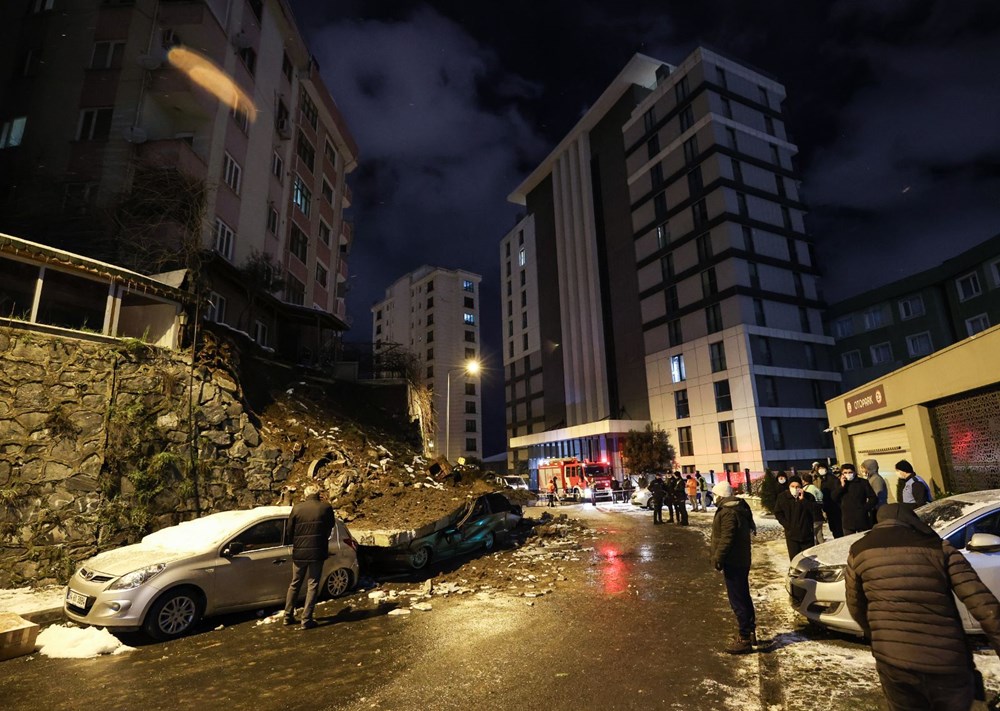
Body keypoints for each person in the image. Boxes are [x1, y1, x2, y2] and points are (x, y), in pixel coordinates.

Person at [846, 504, 1000, 711]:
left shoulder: (859, 549)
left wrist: (879, 635)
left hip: (893, 659)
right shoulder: (939, 547)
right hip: (946, 659)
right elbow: (982, 603)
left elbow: (855, 604)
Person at [709, 481, 758, 654]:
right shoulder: (736, 508)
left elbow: (727, 538)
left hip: (734, 560)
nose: (713, 498)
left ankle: (744, 637)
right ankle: (750, 631)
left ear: (721, 495)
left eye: (715, 494)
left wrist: (718, 557)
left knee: (737, 598)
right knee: (743, 595)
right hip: (740, 559)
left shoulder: (728, 512)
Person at [284, 484, 336, 629]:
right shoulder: (325, 508)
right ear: (318, 494)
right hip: (317, 552)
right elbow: (330, 526)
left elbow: (289, 530)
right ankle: (306, 619)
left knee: (295, 584)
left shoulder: (297, 508)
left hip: (300, 552)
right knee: (312, 585)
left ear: (306, 494)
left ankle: (287, 616)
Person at [773, 476, 820, 559]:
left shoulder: (808, 496)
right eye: (793, 486)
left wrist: (803, 500)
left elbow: (814, 510)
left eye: (797, 486)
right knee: (795, 559)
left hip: (806, 534)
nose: (795, 488)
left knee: (809, 559)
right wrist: (787, 525)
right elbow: (778, 512)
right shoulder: (783, 497)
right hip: (791, 534)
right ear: (789, 486)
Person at [833, 463, 878, 535]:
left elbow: (873, 498)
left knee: (864, 541)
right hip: (847, 519)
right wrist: (841, 486)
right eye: (845, 473)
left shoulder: (863, 483)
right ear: (842, 474)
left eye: (850, 472)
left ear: (854, 472)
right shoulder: (838, 483)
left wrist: (865, 508)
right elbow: (834, 497)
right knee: (849, 542)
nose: (848, 474)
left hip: (861, 518)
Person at [819, 464, 844, 538]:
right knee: (834, 528)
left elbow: (836, 494)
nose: (821, 470)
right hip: (829, 507)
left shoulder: (832, 479)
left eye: (822, 468)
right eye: (819, 468)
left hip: (835, 507)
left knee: (837, 528)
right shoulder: (824, 480)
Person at [801, 472, 826, 545]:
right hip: (819, 515)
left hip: (811, 516)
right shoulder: (816, 488)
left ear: (803, 480)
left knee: (813, 537)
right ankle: (823, 549)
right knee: (819, 535)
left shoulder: (805, 490)